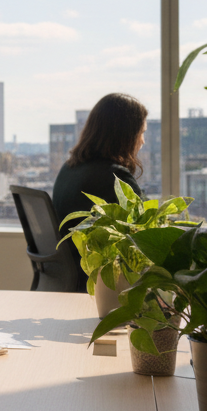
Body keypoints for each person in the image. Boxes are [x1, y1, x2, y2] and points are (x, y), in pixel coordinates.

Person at [52, 93, 149, 291]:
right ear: (126, 135)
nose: (143, 141)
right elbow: (144, 239)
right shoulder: (114, 178)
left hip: (68, 277)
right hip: (100, 284)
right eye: (141, 133)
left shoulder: (69, 169)